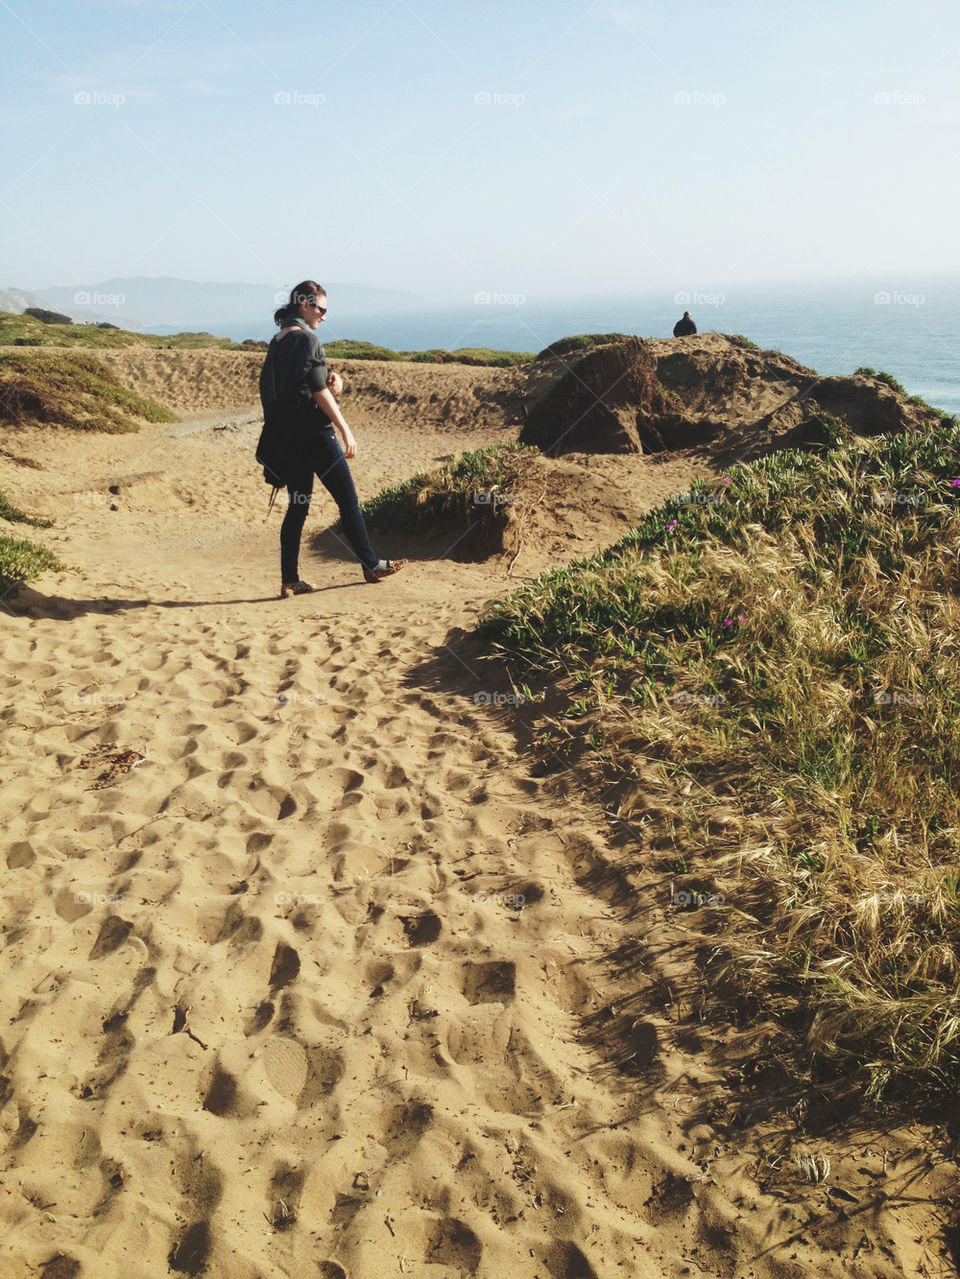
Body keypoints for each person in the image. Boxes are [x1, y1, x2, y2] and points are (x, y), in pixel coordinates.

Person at [259, 280, 405, 597]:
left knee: (298, 506)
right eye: (321, 309)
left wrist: (330, 382)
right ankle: (371, 564)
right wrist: (344, 428)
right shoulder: (307, 340)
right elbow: (317, 390)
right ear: (304, 305)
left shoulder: (278, 339)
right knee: (348, 500)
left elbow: (281, 390)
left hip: (289, 439)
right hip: (316, 434)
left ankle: (289, 579)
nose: (324, 316)